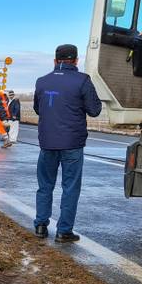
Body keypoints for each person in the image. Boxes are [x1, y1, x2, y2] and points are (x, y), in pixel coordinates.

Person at [32, 44, 102, 242]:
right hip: (72, 143)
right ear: (76, 61)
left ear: (55, 61)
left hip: (47, 142)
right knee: (70, 187)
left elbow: (39, 109)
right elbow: (94, 110)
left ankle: (40, 225)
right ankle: (64, 231)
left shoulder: (42, 82)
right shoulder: (82, 80)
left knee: (45, 185)